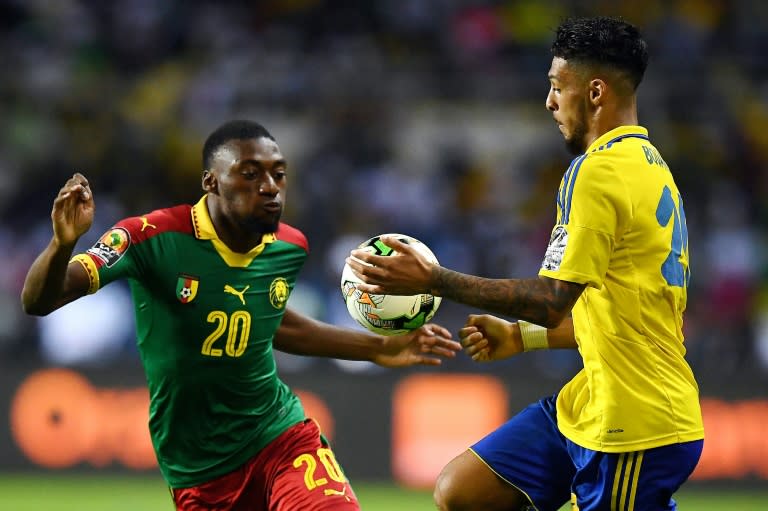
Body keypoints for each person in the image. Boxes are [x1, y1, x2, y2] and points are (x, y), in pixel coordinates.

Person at [346, 16, 704, 511]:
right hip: (593, 399)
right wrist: (520, 337)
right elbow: (614, 315)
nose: (549, 102)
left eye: (558, 87)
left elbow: (551, 300)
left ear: (595, 92)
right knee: (463, 491)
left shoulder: (597, 172)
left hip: (633, 425)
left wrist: (434, 279)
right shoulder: (651, 167)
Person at [21, 119, 461, 511]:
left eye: (278, 175)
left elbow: (275, 324)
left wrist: (380, 347)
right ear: (211, 182)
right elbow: (39, 300)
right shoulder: (148, 237)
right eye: (250, 175)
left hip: (281, 437)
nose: (270, 187)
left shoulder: (289, 247)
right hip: (199, 471)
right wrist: (63, 245)